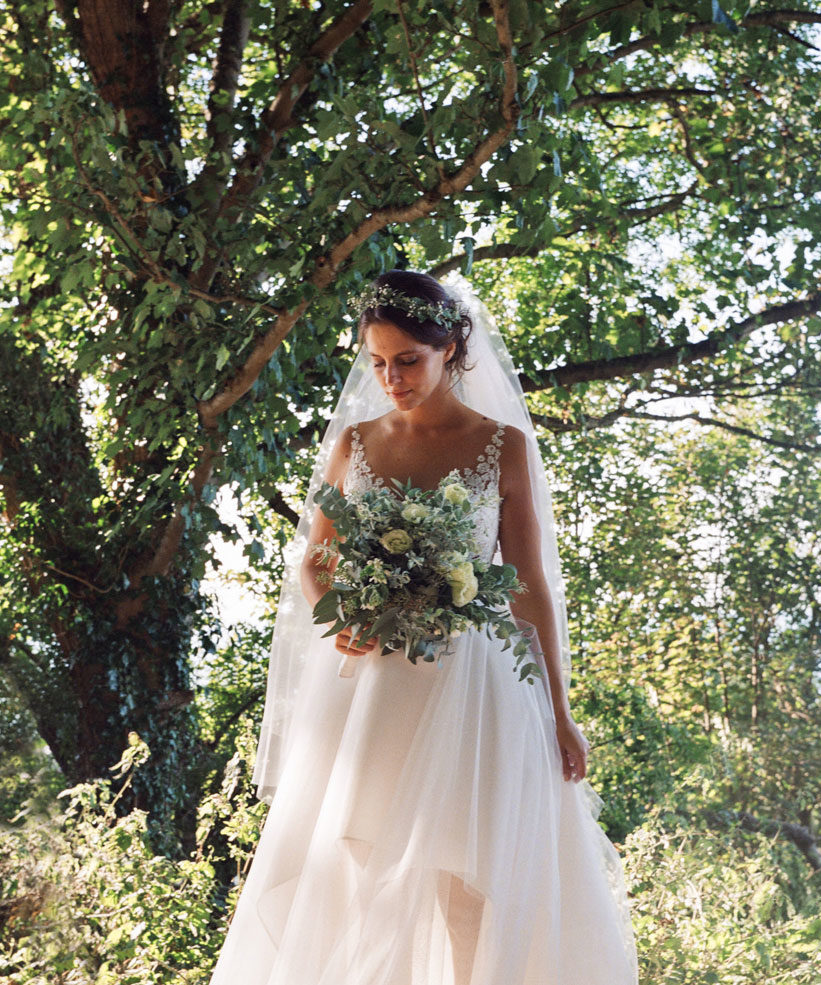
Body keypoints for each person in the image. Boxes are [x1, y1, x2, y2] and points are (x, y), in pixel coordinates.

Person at [209, 270, 638, 985]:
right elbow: (314, 562)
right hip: (375, 684)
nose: (391, 378)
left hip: (475, 688)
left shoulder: (503, 446)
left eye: (407, 359)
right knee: (359, 869)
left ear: (451, 347)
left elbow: (530, 588)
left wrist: (561, 712)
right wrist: (339, 618)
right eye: (378, 362)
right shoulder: (355, 441)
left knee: (463, 878)